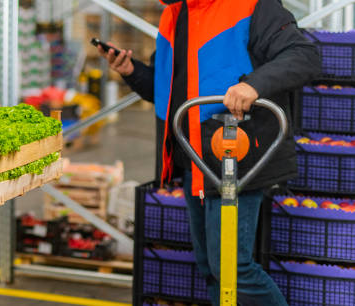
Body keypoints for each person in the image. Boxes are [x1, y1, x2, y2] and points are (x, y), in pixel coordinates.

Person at [98, 0, 320, 305]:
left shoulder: (250, 6)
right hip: (194, 160)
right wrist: (131, 71)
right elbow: (171, 91)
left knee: (235, 269)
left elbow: (303, 55)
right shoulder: (174, 15)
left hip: (236, 159)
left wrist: (253, 86)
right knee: (211, 269)